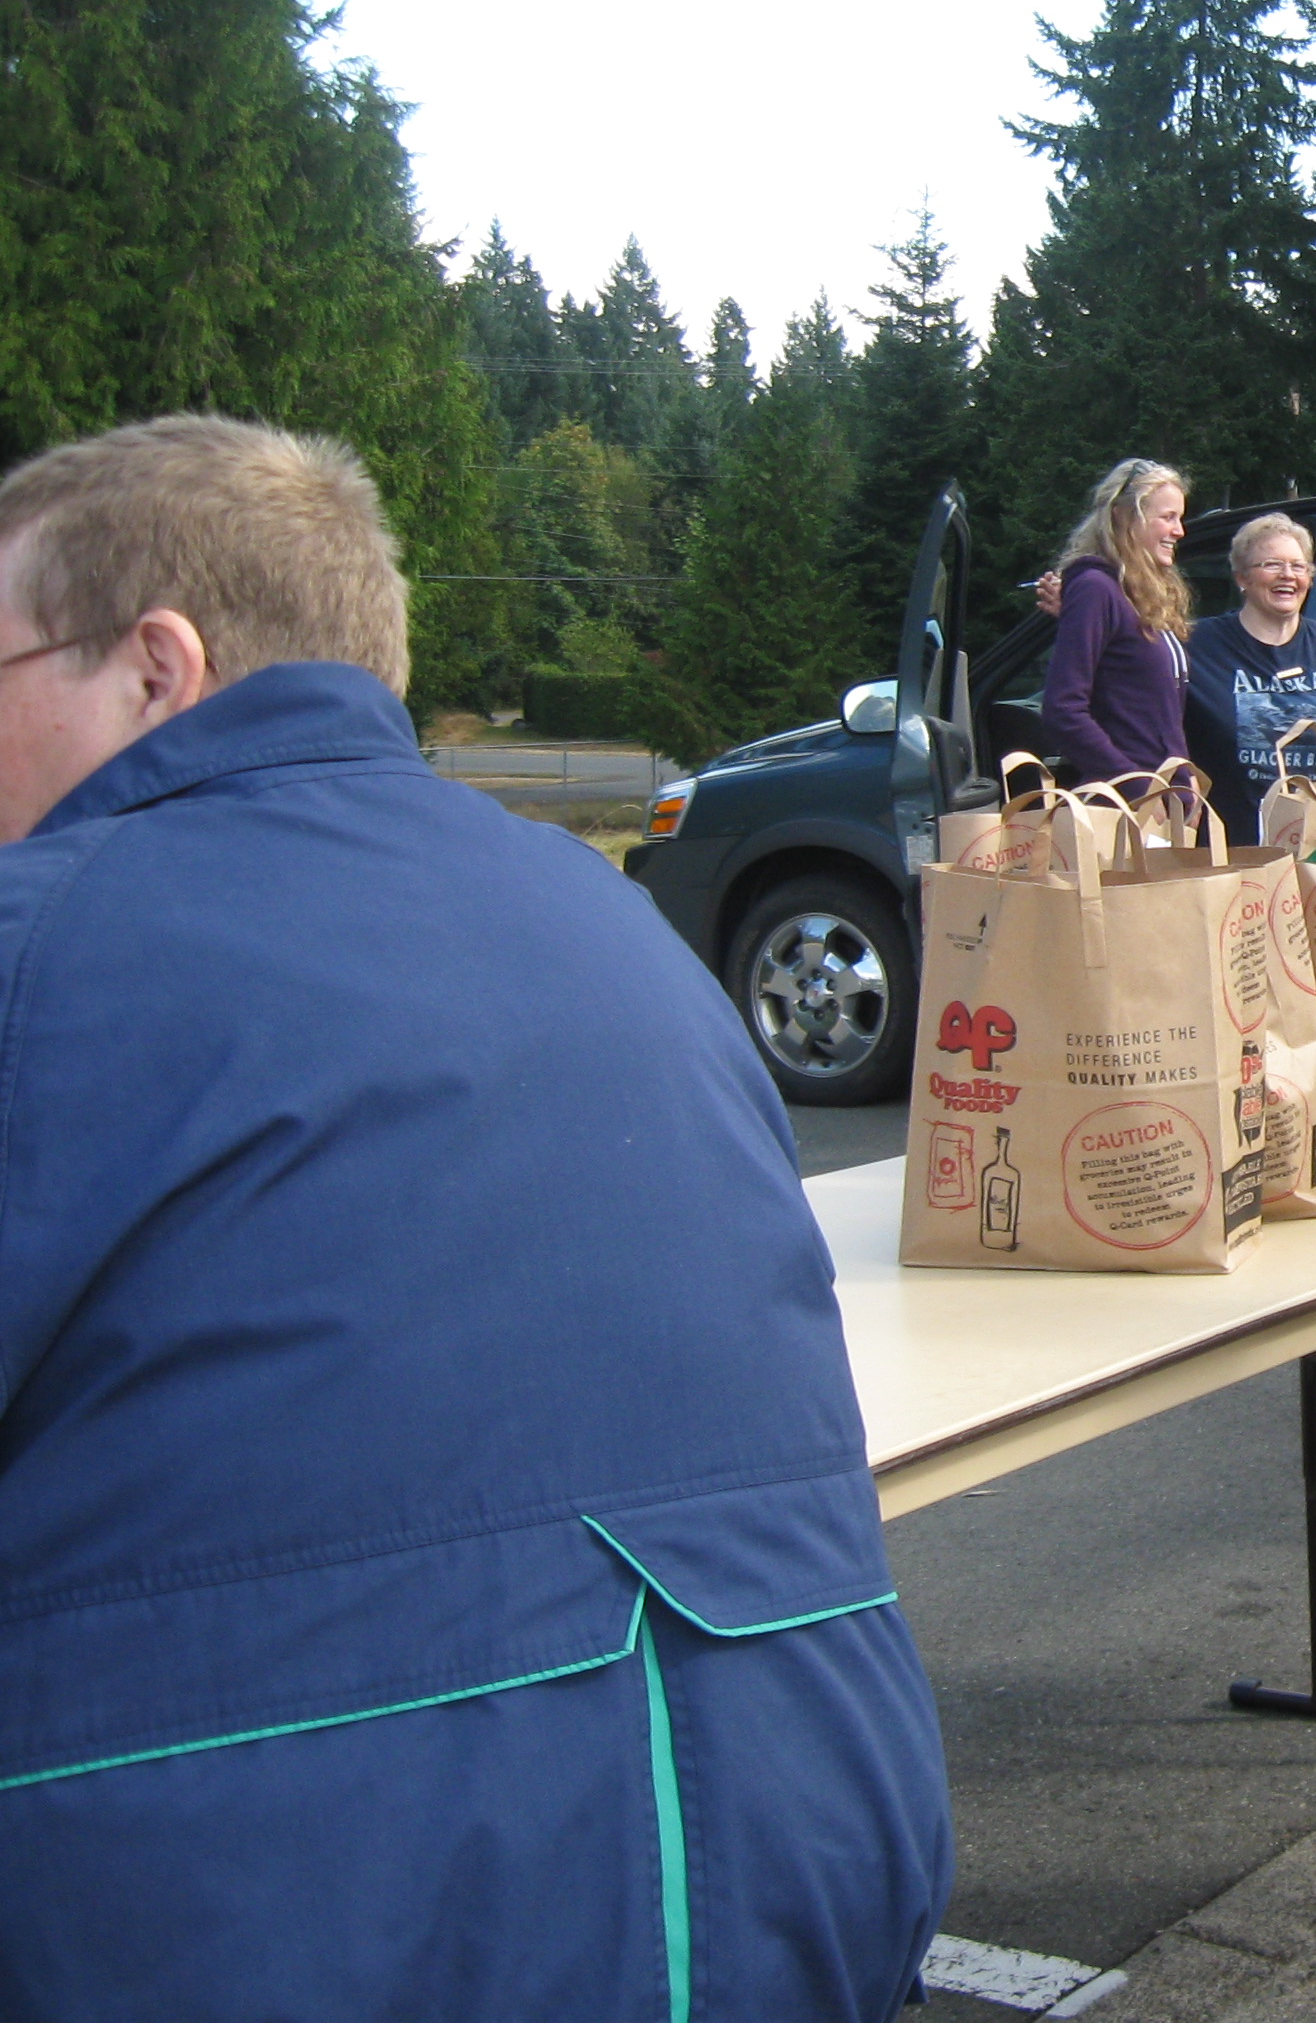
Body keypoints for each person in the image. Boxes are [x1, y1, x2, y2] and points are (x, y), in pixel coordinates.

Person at [0, 418, 951, 2019]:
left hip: (288, 1909)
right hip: (809, 1857)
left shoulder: (44, 945)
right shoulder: (607, 915)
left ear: (154, 668)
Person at [1186, 510, 1316, 842]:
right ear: (1241, 577)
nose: (1288, 576)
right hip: (1231, 850)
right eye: (1271, 565)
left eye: (1298, 566)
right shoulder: (1199, 646)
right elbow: (1158, 727)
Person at [1041, 456, 1191, 790]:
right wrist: (1135, 785)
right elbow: (1063, 711)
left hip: (1166, 800)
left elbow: (1154, 716)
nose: (1179, 531)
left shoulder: (1141, 596)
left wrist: (1184, 781)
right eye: (1168, 518)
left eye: (1179, 518)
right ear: (1124, 517)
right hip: (1128, 810)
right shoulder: (1095, 589)